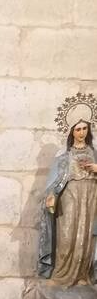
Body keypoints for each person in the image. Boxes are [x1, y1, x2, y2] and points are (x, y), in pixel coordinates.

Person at [38, 118, 97, 286]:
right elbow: (54, 181)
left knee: (86, 236)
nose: (82, 132)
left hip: (91, 195)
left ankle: (82, 275)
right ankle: (60, 274)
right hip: (70, 196)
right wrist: (51, 196)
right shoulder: (64, 156)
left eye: (85, 128)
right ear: (72, 131)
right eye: (78, 129)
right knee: (67, 235)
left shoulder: (95, 152)